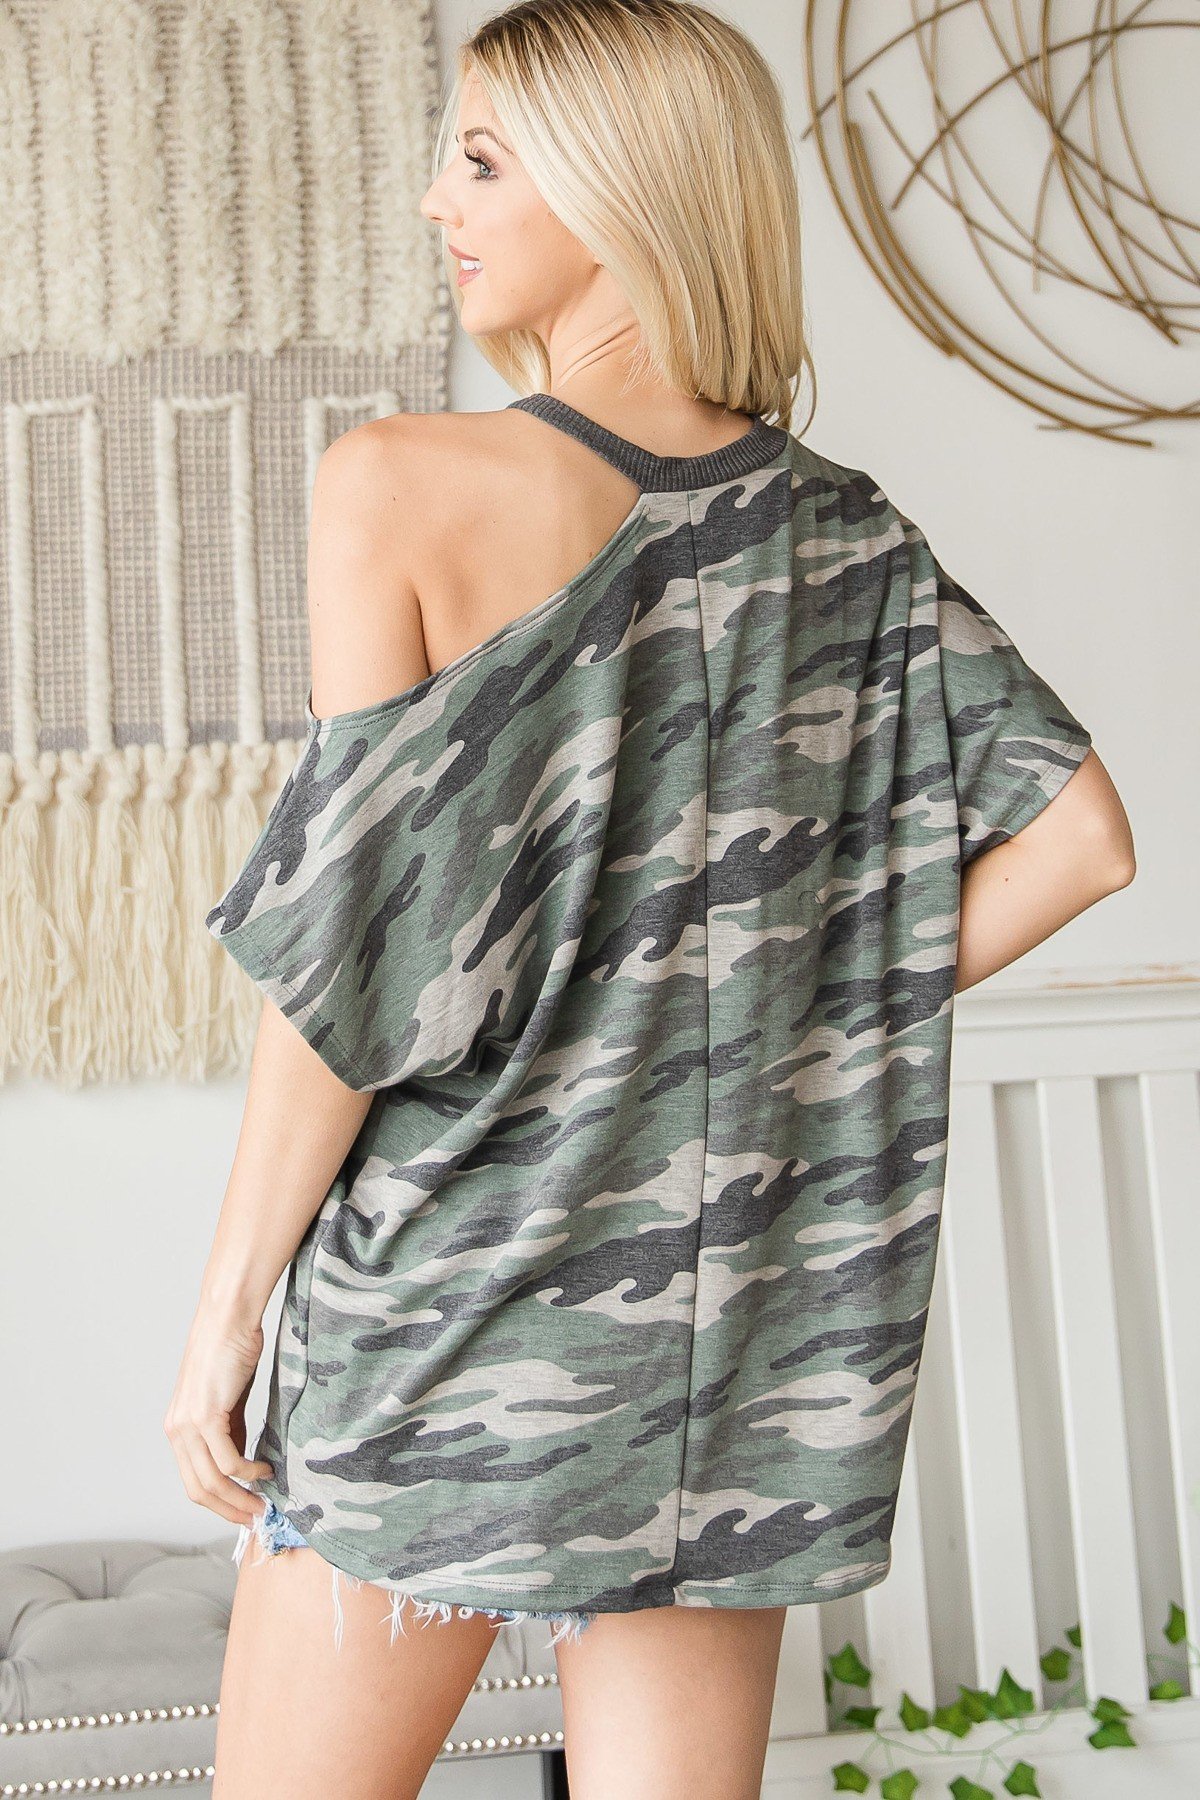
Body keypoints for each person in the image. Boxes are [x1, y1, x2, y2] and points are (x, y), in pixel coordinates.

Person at [165, 3, 1136, 1796]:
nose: (437, 201)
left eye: (480, 159)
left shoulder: (400, 486)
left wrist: (229, 1313)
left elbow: (347, 968)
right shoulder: (849, 533)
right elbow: (1083, 841)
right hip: (744, 1333)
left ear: (620, 188)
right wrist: (805, 1007)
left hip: (452, 1303)